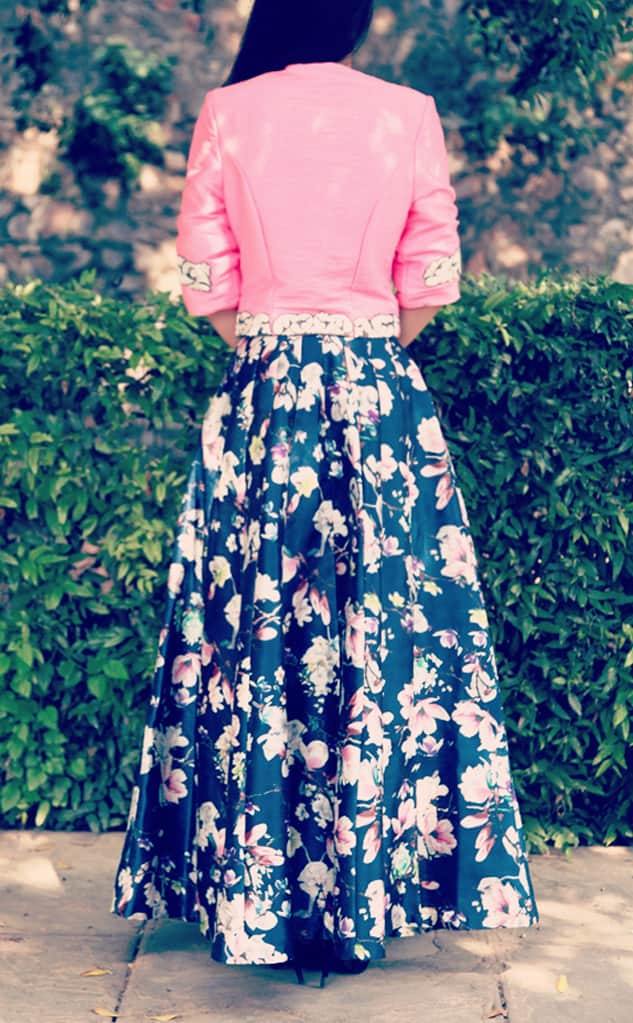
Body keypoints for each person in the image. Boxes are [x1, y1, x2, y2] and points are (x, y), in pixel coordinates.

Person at [111, 0, 539, 989]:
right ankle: (359, 904)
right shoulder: (408, 112)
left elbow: (206, 280)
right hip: (379, 398)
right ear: (355, 18)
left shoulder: (228, 111)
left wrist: (275, 345)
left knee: (253, 634)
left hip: (266, 395)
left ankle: (257, 898)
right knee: (381, 631)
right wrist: (362, 344)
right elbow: (429, 278)